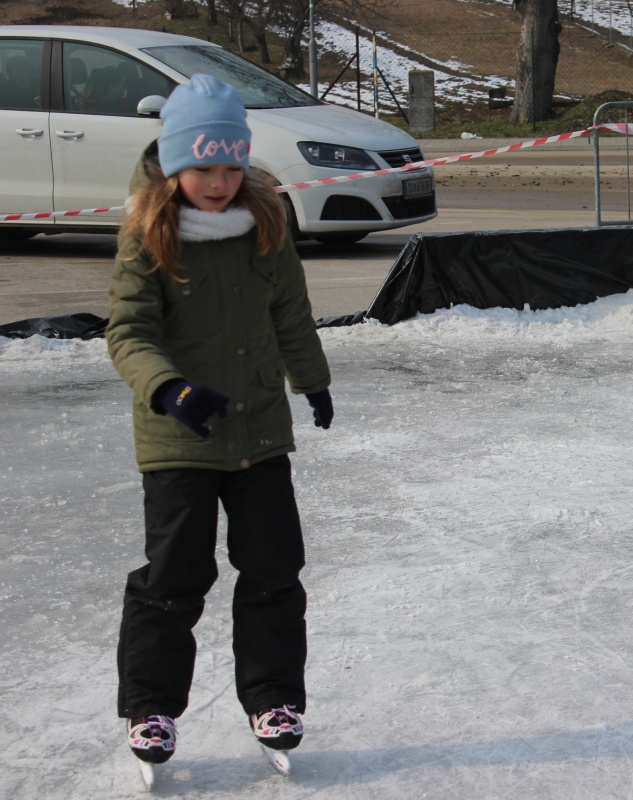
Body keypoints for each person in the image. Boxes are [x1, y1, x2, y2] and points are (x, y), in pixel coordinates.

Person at [106, 74, 334, 768]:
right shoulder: (149, 233)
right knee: (174, 577)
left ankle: (273, 698)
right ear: (176, 163)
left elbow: (289, 312)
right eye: (204, 168)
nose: (219, 183)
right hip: (179, 436)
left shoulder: (264, 222)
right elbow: (128, 332)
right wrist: (168, 389)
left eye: (231, 167)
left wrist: (313, 381)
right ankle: (150, 707)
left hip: (259, 430)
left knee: (274, 568)